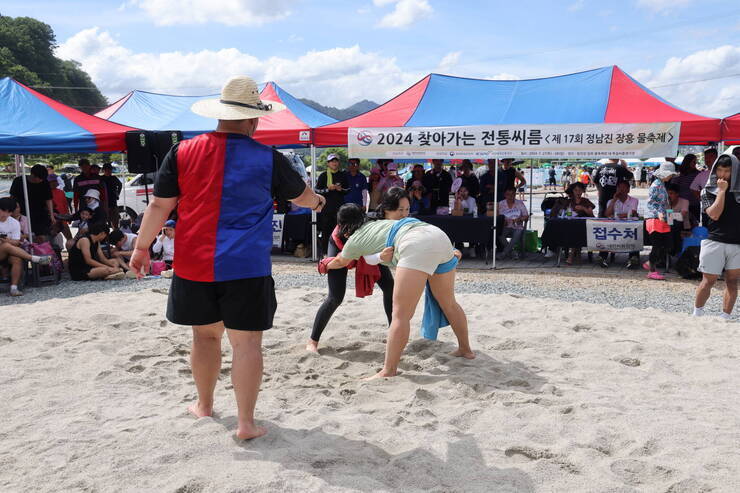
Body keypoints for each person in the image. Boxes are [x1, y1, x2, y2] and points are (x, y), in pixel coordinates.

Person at [129, 75, 325, 440]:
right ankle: (246, 424)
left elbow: (159, 204)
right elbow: (301, 197)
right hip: (246, 267)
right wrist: (319, 202)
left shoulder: (182, 151)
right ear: (254, 119)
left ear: (220, 114)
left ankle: (204, 405)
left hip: (193, 264)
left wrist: (142, 248)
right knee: (246, 344)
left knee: (204, 338)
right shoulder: (269, 158)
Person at [321, 203, 474, 379]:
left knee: (400, 315)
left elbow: (341, 261)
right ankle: (465, 349)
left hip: (416, 243)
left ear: (343, 226)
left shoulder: (355, 239)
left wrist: (324, 264)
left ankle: (389, 370)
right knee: (449, 303)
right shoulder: (381, 223)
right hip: (438, 235)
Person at [307, 188, 406, 353]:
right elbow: (339, 261)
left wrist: (380, 255)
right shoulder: (339, 236)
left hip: (371, 251)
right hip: (341, 254)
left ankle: (393, 332)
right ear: (341, 226)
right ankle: (313, 341)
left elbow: (372, 257)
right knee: (335, 297)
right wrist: (325, 264)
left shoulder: (371, 225)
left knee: (390, 288)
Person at [693, 154, 740, 319]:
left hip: (737, 244)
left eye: (727, 170)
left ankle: (725, 317)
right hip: (715, 240)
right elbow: (714, 215)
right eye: (719, 170)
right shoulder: (708, 190)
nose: (723, 175)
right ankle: (697, 313)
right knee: (708, 281)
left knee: (733, 282)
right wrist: (721, 192)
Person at [0, 197, 52, 296]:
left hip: (9, 251)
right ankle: (33, 258)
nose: (2, 213)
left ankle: (14, 288)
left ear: (10, 212)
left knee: (17, 259)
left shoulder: (14, 223)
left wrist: (7, 240)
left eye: (4, 211)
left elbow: (16, 242)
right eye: (1, 209)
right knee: (6, 245)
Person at [644, 162, 679, 280]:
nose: (671, 177)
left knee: (666, 244)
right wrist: (659, 213)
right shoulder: (656, 185)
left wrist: (667, 215)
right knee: (658, 245)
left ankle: (650, 263)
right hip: (655, 218)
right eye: (670, 174)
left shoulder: (661, 184)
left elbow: (664, 203)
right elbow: (651, 202)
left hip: (662, 218)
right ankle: (651, 270)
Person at [600, 180, 641, 269]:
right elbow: (607, 214)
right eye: (619, 188)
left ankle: (633, 258)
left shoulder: (634, 200)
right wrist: (614, 200)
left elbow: (632, 213)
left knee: (634, 236)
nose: (621, 190)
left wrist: (617, 215)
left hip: (629, 227)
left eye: (623, 188)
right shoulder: (611, 201)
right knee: (606, 235)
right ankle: (602, 258)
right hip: (615, 227)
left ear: (628, 190)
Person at [10, 164, 56, 242]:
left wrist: (51, 215)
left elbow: (48, 199)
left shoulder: (44, 183)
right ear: (33, 175)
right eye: (39, 178)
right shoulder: (19, 181)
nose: (41, 180)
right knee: (23, 235)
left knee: (41, 236)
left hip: (40, 214)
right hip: (22, 213)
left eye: (42, 179)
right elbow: (12, 198)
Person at [553, 182, 595, 265]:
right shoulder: (569, 202)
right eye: (576, 190)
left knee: (577, 231)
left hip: (584, 227)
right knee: (574, 231)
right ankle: (577, 254)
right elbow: (562, 213)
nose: (578, 192)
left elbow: (591, 214)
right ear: (572, 191)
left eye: (580, 190)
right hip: (570, 226)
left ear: (583, 191)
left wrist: (583, 208)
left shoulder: (586, 201)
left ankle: (571, 255)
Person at [316, 153, 349, 256]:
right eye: (332, 161)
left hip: (339, 208)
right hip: (326, 208)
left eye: (336, 161)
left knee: (340, 230)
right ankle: (325, 252)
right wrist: (327, 189)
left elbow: (348, 189)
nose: (334, 163)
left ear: (338, 163)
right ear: (328, 163)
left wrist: (341, 189)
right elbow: (317, 190)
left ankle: (339, 252)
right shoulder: (323, 175)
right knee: (326, 231)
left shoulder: (343, 175)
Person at [497, 188, 529, 260]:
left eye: (512, 194)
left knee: (517, 233)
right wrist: (502, 221)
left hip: (517, 226)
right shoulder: (501, 203)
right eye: (508, 195)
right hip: (506, 226)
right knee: (499, 234)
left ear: (515, 194)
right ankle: (513, 252)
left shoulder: (520, 203)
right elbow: (498, 217)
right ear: (505, 195)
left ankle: (503, 254)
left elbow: (526, 216)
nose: (510, 196)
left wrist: (520, 219)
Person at [690, 148, 718, 224]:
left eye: (711, 156)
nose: (708, 159)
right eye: (706, 157)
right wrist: (702, 197)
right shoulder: (701, 174)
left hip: (721, 209)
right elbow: (693, 188)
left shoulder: (723, 172)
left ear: (717, 157)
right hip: (706, 210)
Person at [101, 163, 123, 228]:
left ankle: (115, 234)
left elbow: (120, 185)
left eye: (110, 170)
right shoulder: (101, 179)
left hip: (113, 202)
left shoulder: (114, 178)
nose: (108, 171)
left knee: (115, 221)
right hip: (104, 202)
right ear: (103, 170)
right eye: (106, 170)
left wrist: (117, 193)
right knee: (104, 222)